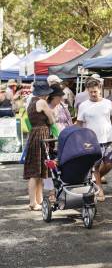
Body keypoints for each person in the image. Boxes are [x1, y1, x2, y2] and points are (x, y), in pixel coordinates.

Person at [76, 78, 112, 202]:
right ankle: (99, 189)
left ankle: (94, 180)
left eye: (95, 91)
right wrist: (77, 138)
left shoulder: (108, 103)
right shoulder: (83, 105)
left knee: (109, 164)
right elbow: (79, 123)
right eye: (91, 91)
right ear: (87, 91)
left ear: (100, 90)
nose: (93, 94)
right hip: (92, 141)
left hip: (108, 139)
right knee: (95, 166)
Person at [23, 81, 55, 211]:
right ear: (44, 94)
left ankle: (38, 200)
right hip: (41, 134)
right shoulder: (41, 102)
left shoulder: (31, 102)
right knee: (36, 171)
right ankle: (32, 202)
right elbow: (52, 119)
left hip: (34, 134)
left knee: (38, 170)